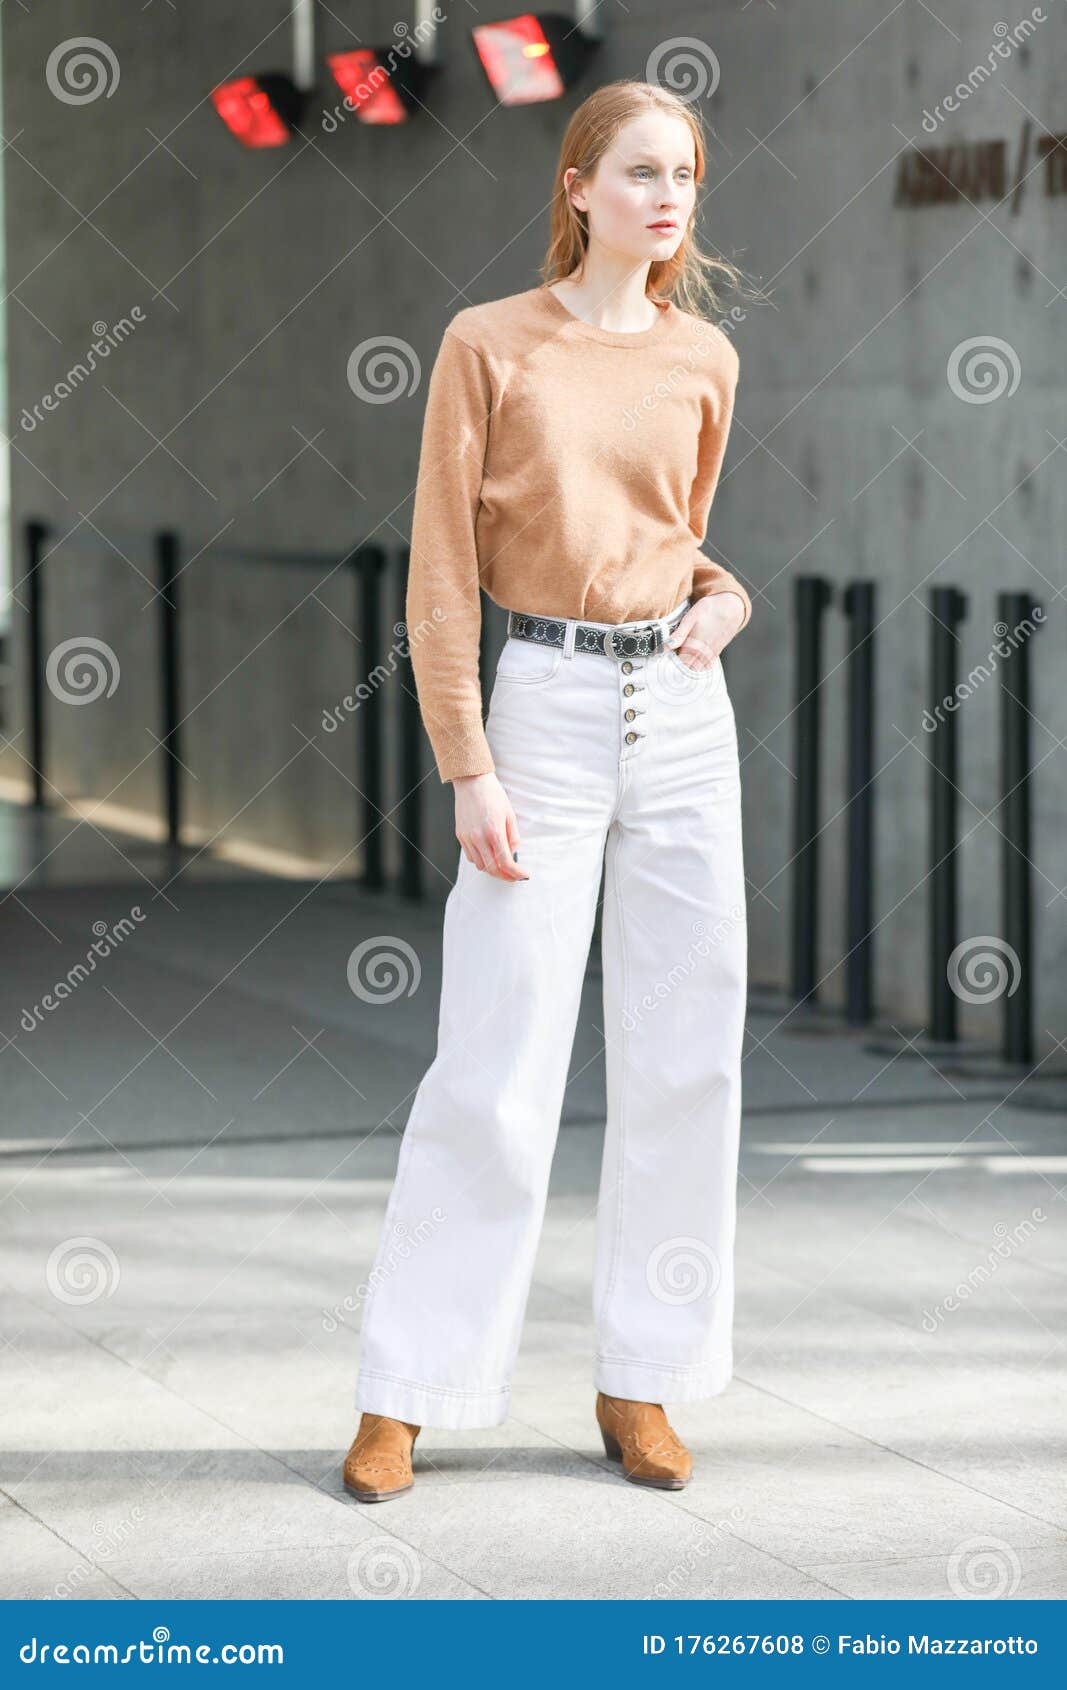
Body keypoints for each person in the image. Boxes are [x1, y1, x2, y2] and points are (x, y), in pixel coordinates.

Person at [344, 78, 752, 1502]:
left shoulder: (705, 357)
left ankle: (642, 1376)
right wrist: (468, 761)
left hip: (684, 712)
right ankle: (409, 1386)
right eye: (639, 171)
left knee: (688, 1048)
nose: (666, 197)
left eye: (685, 176)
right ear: (577, 187)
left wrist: (726, 594)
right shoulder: (487, 346)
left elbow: (673, 541)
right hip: (546, 713)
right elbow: (445, 569)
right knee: (498, 1058)